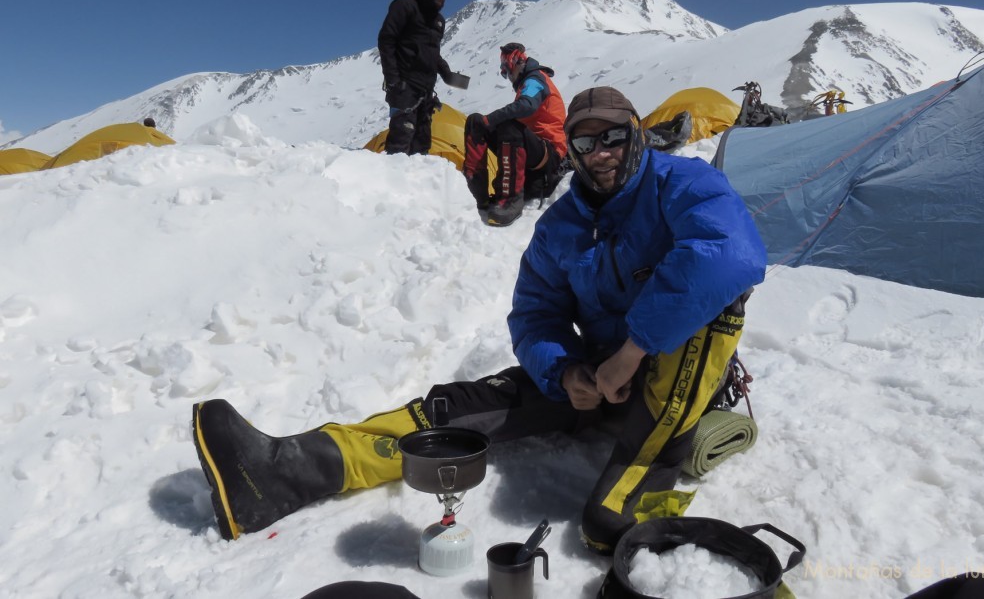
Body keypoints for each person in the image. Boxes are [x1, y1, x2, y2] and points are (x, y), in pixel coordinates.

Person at [191, 86, 767, 553]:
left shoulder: (685, 185)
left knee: (604, 527)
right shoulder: (560, 225)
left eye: (613, 138)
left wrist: (633, 350)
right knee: (460, 409)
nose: (600, 154)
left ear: (637, 136)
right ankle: (285, 472)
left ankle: (653, 459)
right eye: (584, 143)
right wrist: (564, 373)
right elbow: (534, 313)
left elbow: (732, 256)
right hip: (600, 379)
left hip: (677, 374)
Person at [463, 43, 567, 226]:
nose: (507, 76)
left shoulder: (535, 79)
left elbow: (527, 105)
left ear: (516, 62)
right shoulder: (527, 83)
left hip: (550, 153)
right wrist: (485, 122)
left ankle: (510, 200)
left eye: (506, 70)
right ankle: (478, 195)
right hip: (532, 150)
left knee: (508, 125)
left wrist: (491, 119)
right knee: (475, 122)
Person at [377, 0, 455, 156]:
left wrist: (448, 75)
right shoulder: (405, 6)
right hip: (404, 87)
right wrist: (393, 80)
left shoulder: (439, 21)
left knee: (422, 148)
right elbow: (386, 40)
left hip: (426, 93)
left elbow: (431, 54)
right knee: (400, 146)